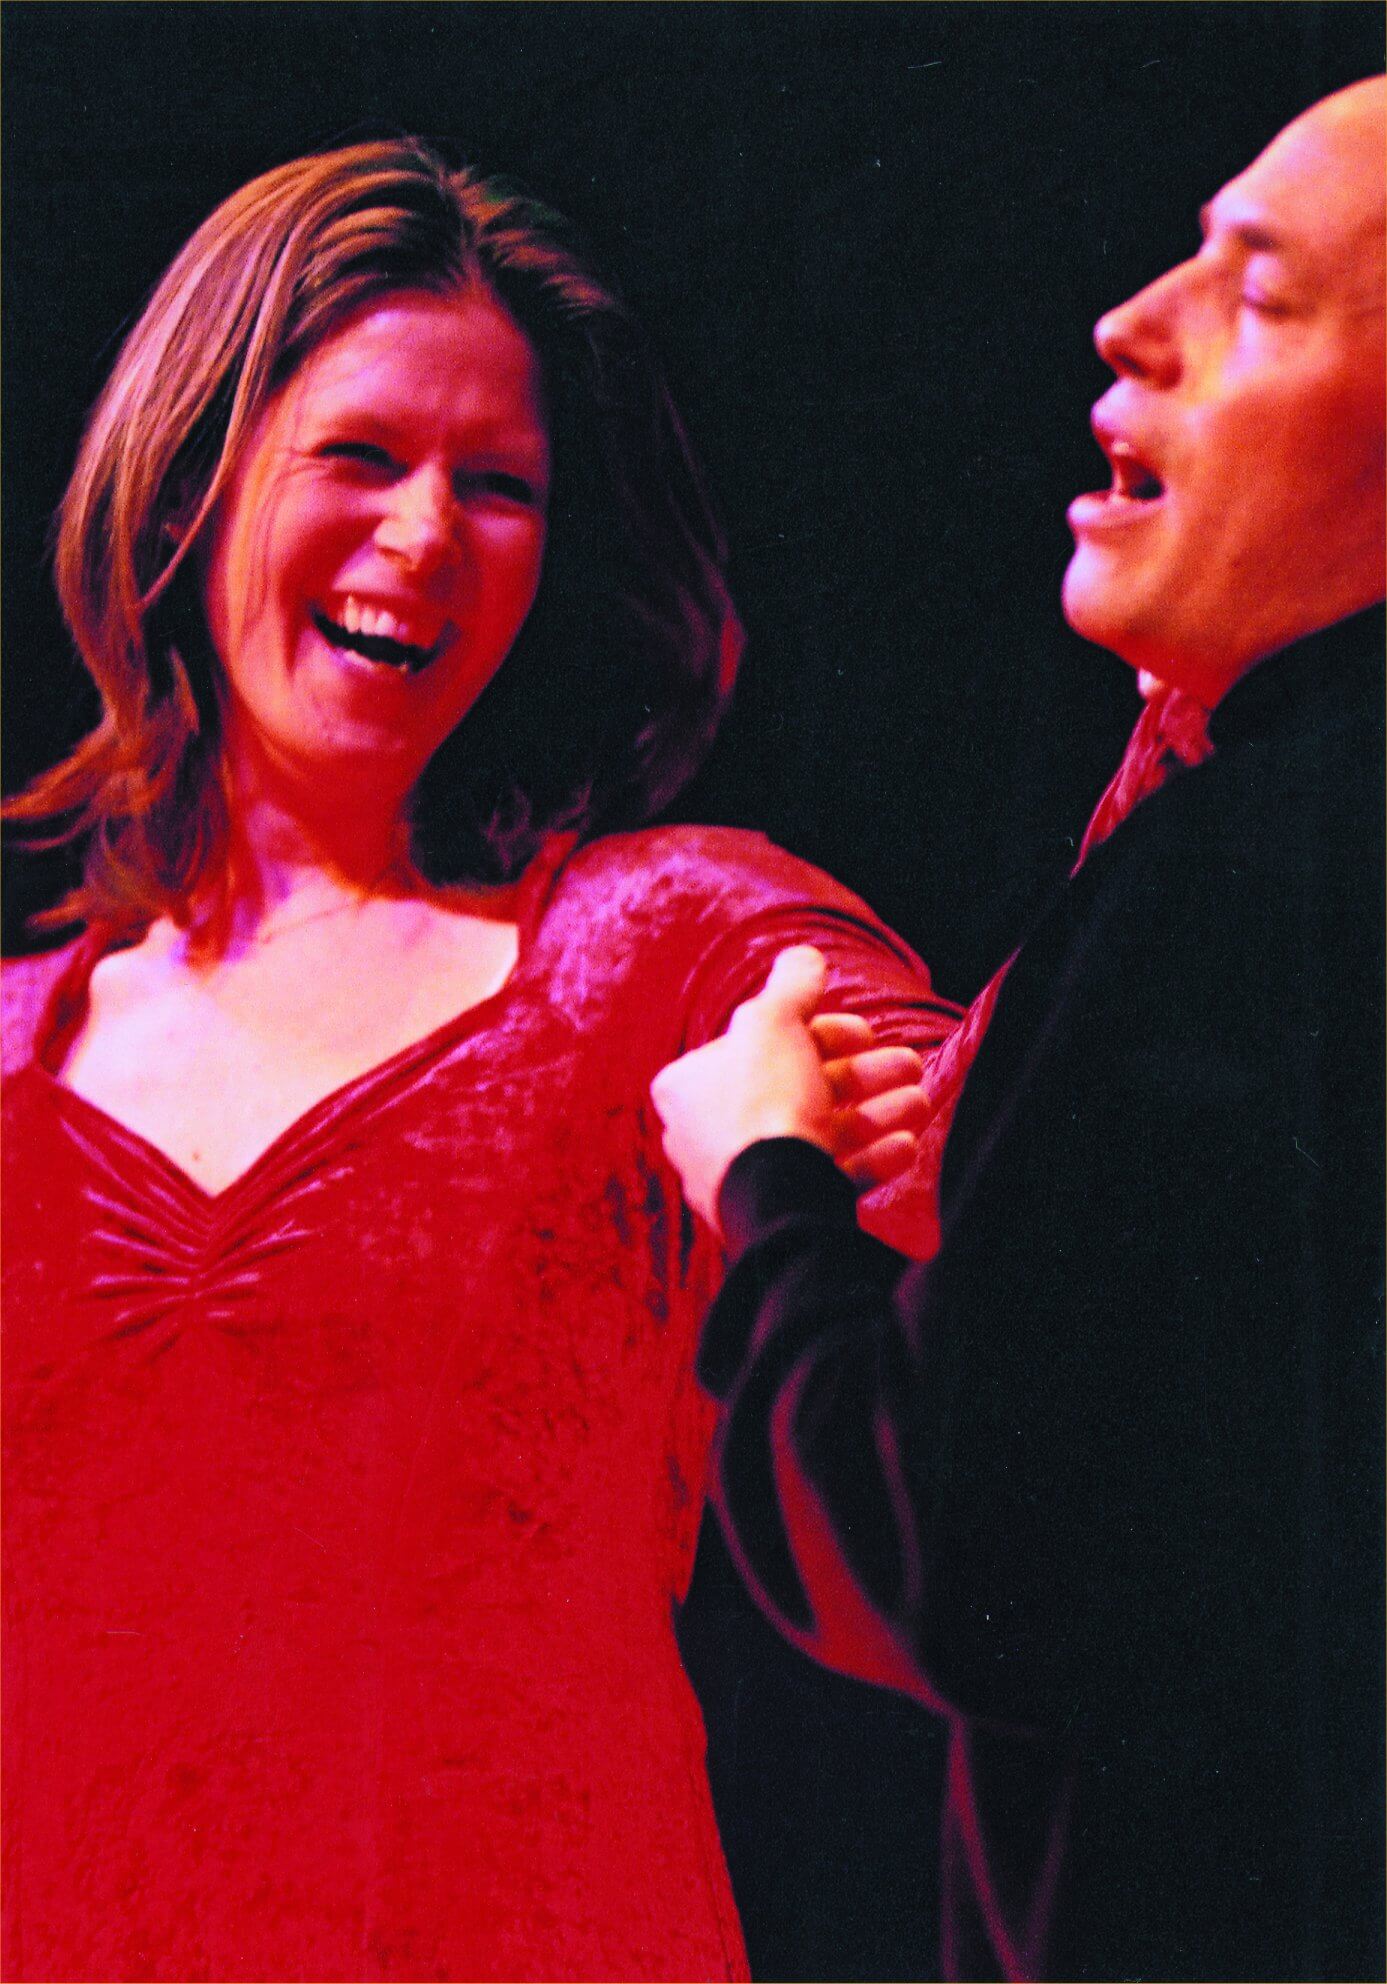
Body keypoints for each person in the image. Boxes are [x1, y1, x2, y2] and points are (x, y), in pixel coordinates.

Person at [0, 139, 960, 1982]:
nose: (428, 535)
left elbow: (1031, 1152)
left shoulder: (662, 947)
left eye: (499, 486)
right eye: (362, 456)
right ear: (192, 482)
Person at [652, 77, 1386, 1982]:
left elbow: (957, 1548)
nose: (1131, 320)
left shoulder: (1255, 879)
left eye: (1260, 294)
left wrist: (768, 1185)